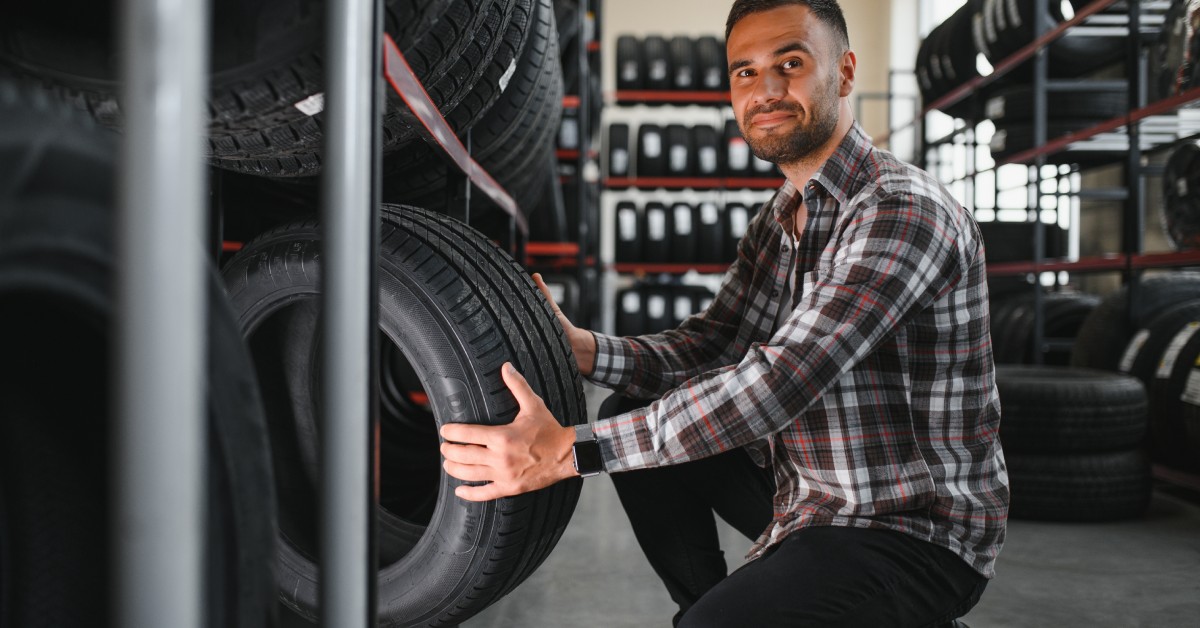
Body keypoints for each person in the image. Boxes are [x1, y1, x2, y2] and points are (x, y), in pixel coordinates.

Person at [439, 0, 1009, 625]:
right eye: (744, 71)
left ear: (843, 74)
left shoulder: (899, 211)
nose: (765, 89)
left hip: (909, 528)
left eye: (790, 63)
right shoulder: (781, 219)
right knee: (631, 409)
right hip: (809, 494)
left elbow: (782, 380)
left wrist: (567, 452)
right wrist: (581, 349)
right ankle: (711, 608)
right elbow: (711, 349)